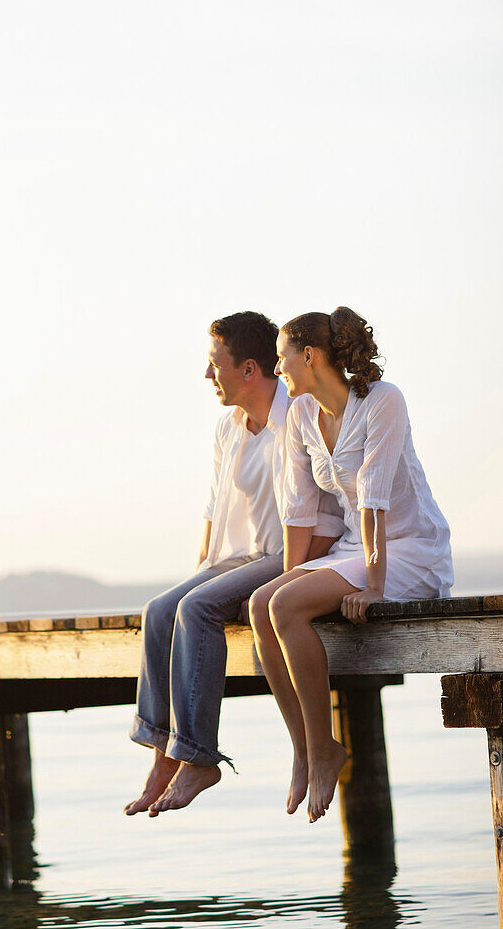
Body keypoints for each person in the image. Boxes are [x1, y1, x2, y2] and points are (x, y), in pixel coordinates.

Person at [125, 311, 344, 817]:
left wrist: (294, 576)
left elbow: (318, 510)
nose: (207, 376)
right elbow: (213, 506)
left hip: (285, 559)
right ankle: (164, 754)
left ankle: (199, 759)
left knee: (196, 610)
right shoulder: (228, 427)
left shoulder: (296, 417)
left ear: (250, 369)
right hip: (231, 560)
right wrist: (200, 567)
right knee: (161, 608)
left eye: (213, 365)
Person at [248, 307, 453, 825]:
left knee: (288, 608)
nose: (278, 371)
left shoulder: (383, 401)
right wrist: (289, 581)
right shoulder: (300, 417)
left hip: (408, 549)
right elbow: (300, 510)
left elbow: (375, 496)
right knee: (262, 605)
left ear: (309, 357)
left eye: (281, 359)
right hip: (352, 549)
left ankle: (323, 751)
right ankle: (305, 748)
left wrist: (376, 586)